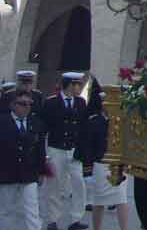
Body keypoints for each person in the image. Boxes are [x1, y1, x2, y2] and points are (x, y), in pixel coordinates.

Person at [78, 78, 129, 230]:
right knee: (99, 201)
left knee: (121, 198)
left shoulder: (123, 121)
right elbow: (88, 146)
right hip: (100, 165)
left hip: (119, 165)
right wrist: (88, 169)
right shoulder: (95, 121)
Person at [41, 71, 88, 230]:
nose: (79, 88)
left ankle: (76, 218)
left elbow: (82, 128)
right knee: (54, 185)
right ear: (69, 85)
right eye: (77, 84)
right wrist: (44, 153)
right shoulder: (51, 103)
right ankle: (52, 219)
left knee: (78, 183)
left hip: (74, 150)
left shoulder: (81, 102)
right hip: (56, 148)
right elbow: (44, 129)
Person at [0, 89, 48, 230]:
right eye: (22, 104)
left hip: (29, 173)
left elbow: (40, 149)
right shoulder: (3, 122)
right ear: (13, 105)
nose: (26, 107)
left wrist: (41, 171)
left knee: (32, 210)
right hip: (7, 173)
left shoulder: (36, 122)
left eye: (29, 104)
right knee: (7, 211)